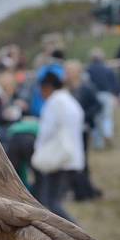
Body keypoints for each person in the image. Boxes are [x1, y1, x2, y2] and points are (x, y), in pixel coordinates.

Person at [33, 71, 85, 222]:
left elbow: (46, 130)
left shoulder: (54, 102)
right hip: (71, 157)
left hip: (58, 159)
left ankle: (77, 233)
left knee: (51, 202)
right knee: (54, 201)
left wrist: (38, 149)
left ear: (47, 87)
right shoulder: (69, 100)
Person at [64, 59, 103, 201]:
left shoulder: (86, 88)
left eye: (70, 71)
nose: (67, 74)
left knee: (82, 160)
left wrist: (84, 116)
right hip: (68, 130)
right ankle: (77, 188)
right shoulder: (65, 90)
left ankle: (85, 189)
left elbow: (97, 105)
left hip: (83, 129)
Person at [87, 47, 120, 149]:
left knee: (96, 119)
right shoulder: (107, 68)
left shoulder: (89, 69)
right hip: (106, 95)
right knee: (107, 117)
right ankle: (108, 134)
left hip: (94, 96)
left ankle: (98, 143)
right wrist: (117, 94)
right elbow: (114, 83)